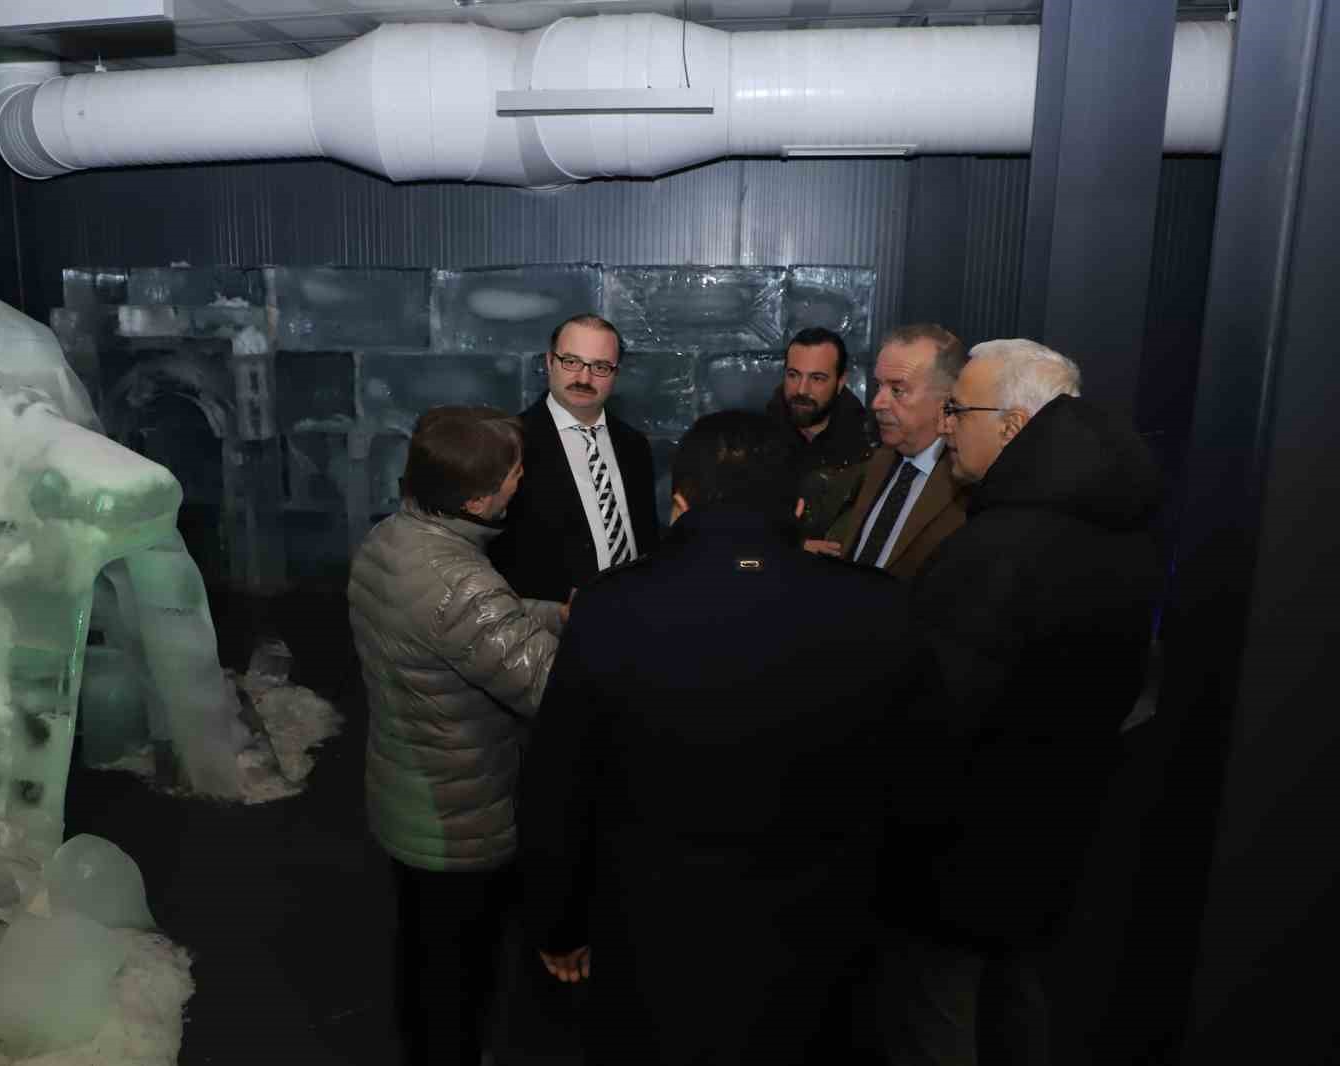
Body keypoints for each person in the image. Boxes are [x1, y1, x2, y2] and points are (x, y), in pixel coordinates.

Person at [519, 410, 929, 1065]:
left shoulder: (611, 606)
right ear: (797, 506)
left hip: (652, 931)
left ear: (678, 503)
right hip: (824, 936)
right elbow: (913, 780)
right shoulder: (881, 606)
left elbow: (561, 784)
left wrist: (557, 924)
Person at [876, 341, 1163, 1066]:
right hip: (1056, 850)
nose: (946, 427)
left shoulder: (994, 553)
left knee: (934, 1025)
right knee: (1018, 1017)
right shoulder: (1122, 534)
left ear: (1010, 426)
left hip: (955, 867)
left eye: (958, 410)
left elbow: (931, 725)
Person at [348, 405, 567, 1066]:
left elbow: (452, 625)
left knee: (422, 954)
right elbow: (550, 688)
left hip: (405, 795)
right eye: (514, 476)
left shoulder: (392, 540)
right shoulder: (463, 585)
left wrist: (552, 613)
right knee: (457, 977)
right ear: (477, 497)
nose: (519, 483)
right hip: (458, 821)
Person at [489, 314, 660, 602]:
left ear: (616, 373)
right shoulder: (509, 443)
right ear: (549, 362)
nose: (584, 378)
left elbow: (647, 540)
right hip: (547, 631)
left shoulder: (634, 445)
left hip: (635, 616)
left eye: (600, 367)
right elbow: (493, 554)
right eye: (571, 362)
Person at [830, 323, 968, 578]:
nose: (877, 402)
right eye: (879, 386)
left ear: (947, 401)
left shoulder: (966, 487)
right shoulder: (879, 460)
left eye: (897, 390)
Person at [764, 326, 878, 540]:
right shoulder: (758, 441)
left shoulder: (869, 448)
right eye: (793, 375)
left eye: (817, 378)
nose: (801, 390)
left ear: (840, 381)